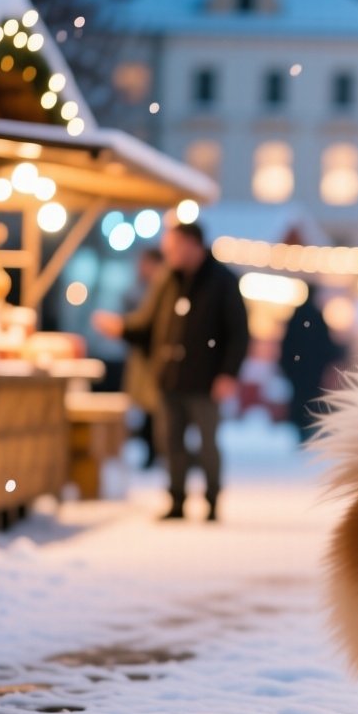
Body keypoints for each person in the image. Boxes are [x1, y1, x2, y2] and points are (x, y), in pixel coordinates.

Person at [94, 222, 249, 522]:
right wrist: (123, 328)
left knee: (207, 444)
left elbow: (239, 333)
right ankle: (176, 500)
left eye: (174, 247)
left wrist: (228, 373)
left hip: (206, 379)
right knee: (170, 442)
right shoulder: (166, 280)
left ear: (193, 245)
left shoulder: (223, 281)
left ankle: (212, 500)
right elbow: (148, 324)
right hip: (169, 378)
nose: (170, 254)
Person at [279, 283, 342, 440]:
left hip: (298, 370)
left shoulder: (297, 315)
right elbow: (325, 345)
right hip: (312, 370)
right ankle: (307, 430)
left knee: (299, 400)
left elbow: (288, 343)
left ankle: (301, 430)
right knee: (310, 401)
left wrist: (287, 365)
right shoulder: (316, 316)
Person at [121, 248, 164, 469]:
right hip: (143, 359)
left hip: (156, 361)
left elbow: (142, 324)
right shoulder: (139, 289)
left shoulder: (161, 290)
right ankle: (153, 452)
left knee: (156, 410)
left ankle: (157, 452)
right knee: (148, 409)